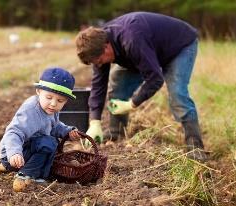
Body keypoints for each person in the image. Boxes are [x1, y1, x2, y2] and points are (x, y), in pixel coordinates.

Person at [75, 12, 208, 161]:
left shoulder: (131, 40)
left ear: (106, 47)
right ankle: (116, 131)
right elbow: (98, 85)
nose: (99, 65)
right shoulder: (97, 44)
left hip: (179, 47)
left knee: (178, 93)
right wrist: (95, 122)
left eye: (99, 60)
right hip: (149, 51)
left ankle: (195, 145)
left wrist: (132, 103)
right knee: (117, 80)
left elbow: (155, 79)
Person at [0, 67, 81, 185]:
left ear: (66, 101)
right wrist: (14, 153)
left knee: (52, 142)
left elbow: (55, 126)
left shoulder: (51, 109)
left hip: (28, 149)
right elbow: (14, 132)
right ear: (38, 91)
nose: (53, 103)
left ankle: (36, 173)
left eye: (60, 100)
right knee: (49, 143)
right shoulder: (31, 110)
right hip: (14, 154)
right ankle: (26, 175)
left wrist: (68, 132)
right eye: (49, 97)